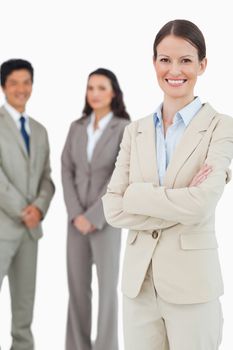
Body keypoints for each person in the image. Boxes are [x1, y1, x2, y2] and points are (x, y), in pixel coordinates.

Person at [102, 19, 233, 350]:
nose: (174, 70)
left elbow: (200, 205)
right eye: (165, 59)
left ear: (202, 65)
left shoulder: (221, 127)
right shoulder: (135, 131)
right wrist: (181, 200)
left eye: (186, 60)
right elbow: (113, 208)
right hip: (138, 289)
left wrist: (138, 196)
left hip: (192, 289)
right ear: (154, 63)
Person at [61, 68, 130, 350]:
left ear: (113, 92)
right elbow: (66, 169)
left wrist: (93, 216)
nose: (95, 94)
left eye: (101, 88)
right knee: (77, 291)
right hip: (75, 222)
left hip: (106, 221)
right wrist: (77, 214)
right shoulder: (77, 127)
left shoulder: (124, 127)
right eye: (91, 88)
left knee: (107, 292)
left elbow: (121, 174)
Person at [0, 59, 55, 349]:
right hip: (3, 227)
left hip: (30, 232)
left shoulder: (40, 130)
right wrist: (24, 210)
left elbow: (47, 178)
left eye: (26, 82)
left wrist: (39, 208)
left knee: (24, 310)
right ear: (3, 87)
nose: (21, 89)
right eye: (14, 83)